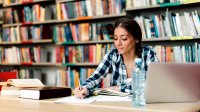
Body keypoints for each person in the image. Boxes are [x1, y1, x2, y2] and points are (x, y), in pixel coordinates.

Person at [74, 16, 159, 99]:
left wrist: (119, 88)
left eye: (124, 38)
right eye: (115, 38)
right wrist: (85, 88)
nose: (118, 43)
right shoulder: (112, 56)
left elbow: (154, 84)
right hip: (117, 106)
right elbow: (96, 76)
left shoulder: (148, 55)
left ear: (136, 39)